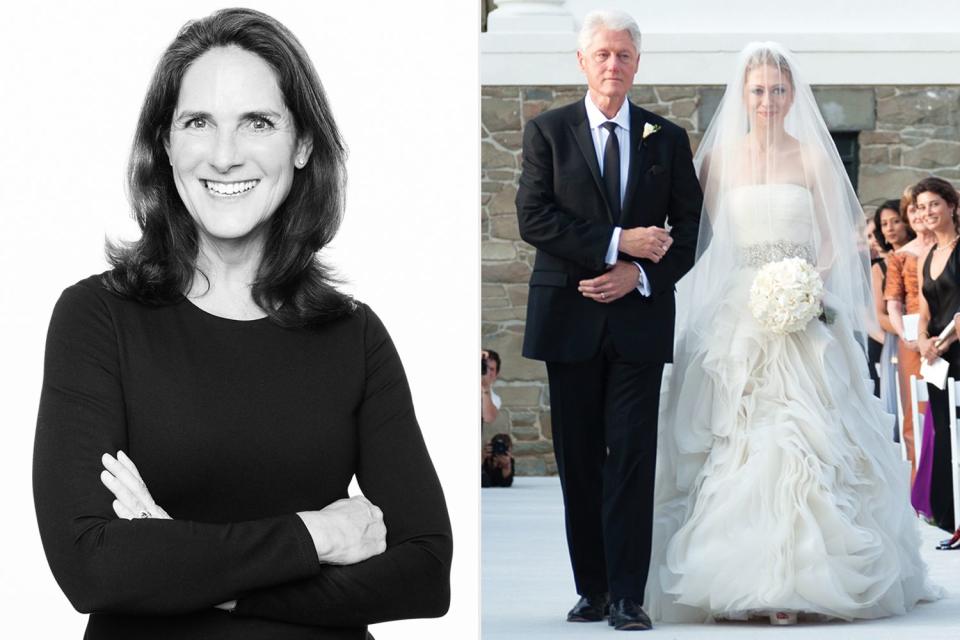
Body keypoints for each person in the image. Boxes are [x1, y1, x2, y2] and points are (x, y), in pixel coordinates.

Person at [32, 9, 451, 639]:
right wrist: (315, 536)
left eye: (258, 122)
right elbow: (92, 567)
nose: (225, 156)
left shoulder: (354, 335)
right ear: (166, 144)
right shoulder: (96, 319)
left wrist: (201, 575)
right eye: (198, 122)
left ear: (303, 143)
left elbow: (425, 572)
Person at [646, 42, 939, 625]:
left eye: (778, 90)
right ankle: (740, 575)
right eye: (757, 90)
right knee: (736, 437)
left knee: (805, 436)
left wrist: (808, 284)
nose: (767, 100)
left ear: (792, 95)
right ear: (743, 95)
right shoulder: (718, 161)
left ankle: (805, 580)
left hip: (803, 306)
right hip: (737, 311)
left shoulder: (810, 158)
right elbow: (693, 234)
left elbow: (835, 239)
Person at [515, 9, 702, 631]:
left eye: (623, 54)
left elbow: (691, 231)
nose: (613, 65)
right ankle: (590, 589)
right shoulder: (547, 131)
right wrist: (619, 242)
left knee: (629, 459)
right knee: (578, 459)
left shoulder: (666, 139)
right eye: (602, 55)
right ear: (581, 62)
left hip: (638, 323)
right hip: (569, 318)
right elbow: (534, 218)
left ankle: (627, 595)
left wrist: (640, 274)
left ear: (637, 63)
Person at [916, 176, 960, 540]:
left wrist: (942, 343)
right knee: (946, 434)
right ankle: (952, 518)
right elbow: (925, 312)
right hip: (938, 361)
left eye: (934, 204)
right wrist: (922, 341)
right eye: (921, 206)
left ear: (951, 206)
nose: (927, 212)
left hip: (957, 351)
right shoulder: (926, 256)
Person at [886, 188, 935, 476]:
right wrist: (907, 335)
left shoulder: (949, 247)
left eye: (922, 208)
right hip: (913, 336)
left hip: (945, 329)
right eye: (913, 209)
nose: (918, 215)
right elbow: (894, 302)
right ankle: (919, 485)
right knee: (915, 410)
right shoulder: (901, 256)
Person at [482, 349, 502, 424]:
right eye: (484, 367)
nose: (487, 372)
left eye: (491, 369)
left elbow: (488, 418)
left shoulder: (495, 399)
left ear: (496, 375)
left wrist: (485, 388)